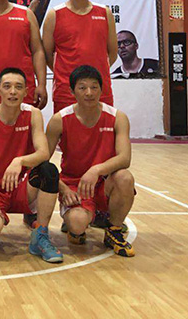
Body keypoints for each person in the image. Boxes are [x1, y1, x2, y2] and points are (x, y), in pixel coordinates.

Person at [0, 68, 63, 263]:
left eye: (18, 87)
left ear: (26, 92)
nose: (13, 91)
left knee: (48, 170)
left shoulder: (33, 114)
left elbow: (43, 153)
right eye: (7, 86)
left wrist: (19, 161)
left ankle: (40, 236)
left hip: (21, 188)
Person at [45, 65, 136, 257]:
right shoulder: (59, 120)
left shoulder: (117, 117)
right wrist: (63, 188)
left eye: (94, 87)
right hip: (74, 185)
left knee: (125, 178)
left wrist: (96, 170)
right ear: (72, 91)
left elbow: (124, 158)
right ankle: (76, 223)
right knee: (77, 224)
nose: (89, 92)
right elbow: (43, 162)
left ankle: (114, 230)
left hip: (104, 182)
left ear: (102, 90)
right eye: (82, 87)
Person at [41, 0, 117, 113]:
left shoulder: (105, 13)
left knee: (104, 128)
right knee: (66, 128)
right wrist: (66, 75)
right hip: (66, 92)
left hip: (100, 90)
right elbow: (47, 56)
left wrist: (94, 76)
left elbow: (113, 53)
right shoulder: (54, 15)